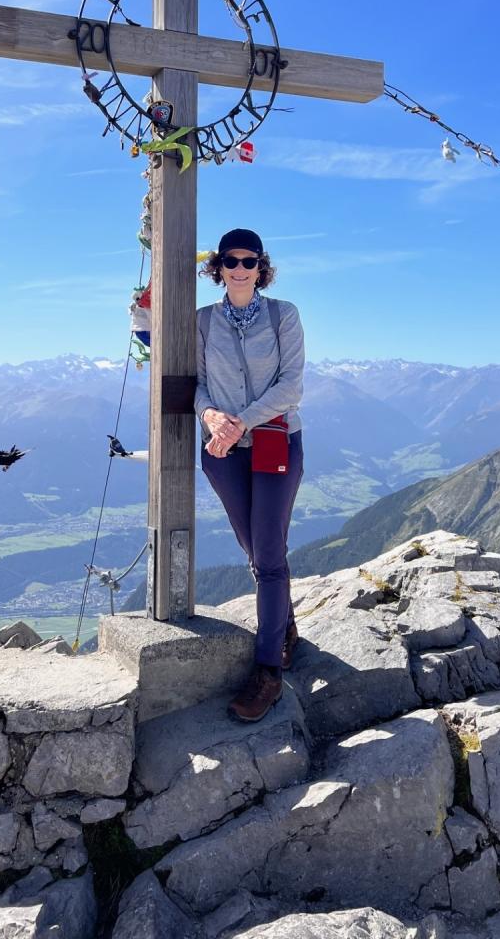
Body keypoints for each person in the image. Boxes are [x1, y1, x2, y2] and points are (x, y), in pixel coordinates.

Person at [196, 228, 305, 723]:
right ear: (217, 267)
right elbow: (198, 385)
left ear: (262, 266)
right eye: (230, 260)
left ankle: (268, 672)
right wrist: (210, 416)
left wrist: (242, 419)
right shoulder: (202, 323)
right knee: (253, 547)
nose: (239, 268)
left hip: (274, 442)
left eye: (249, 260)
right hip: (222, 449)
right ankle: (282, 622)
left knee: (267, 555)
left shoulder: (285, 316)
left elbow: (292, 385)